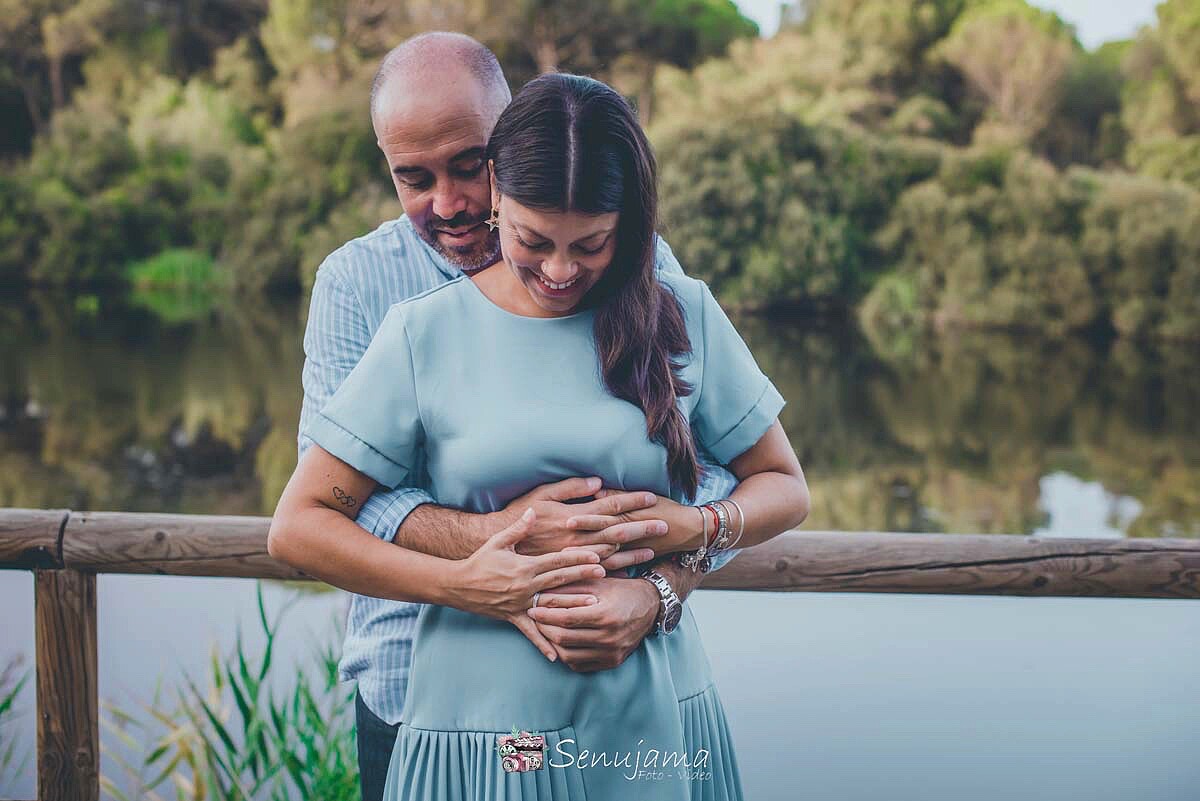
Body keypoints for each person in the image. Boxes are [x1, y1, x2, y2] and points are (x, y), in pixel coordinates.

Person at [271, 72, 810, 799]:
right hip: (488, 725)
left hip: (651, 714)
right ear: (502, 200)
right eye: (533, 241)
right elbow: (300, 526)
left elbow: (783, 484)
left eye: (591, 245)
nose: (560, 271)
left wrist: (690, 532)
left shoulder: (678, 306)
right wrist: (469, 584)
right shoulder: (420, 331)